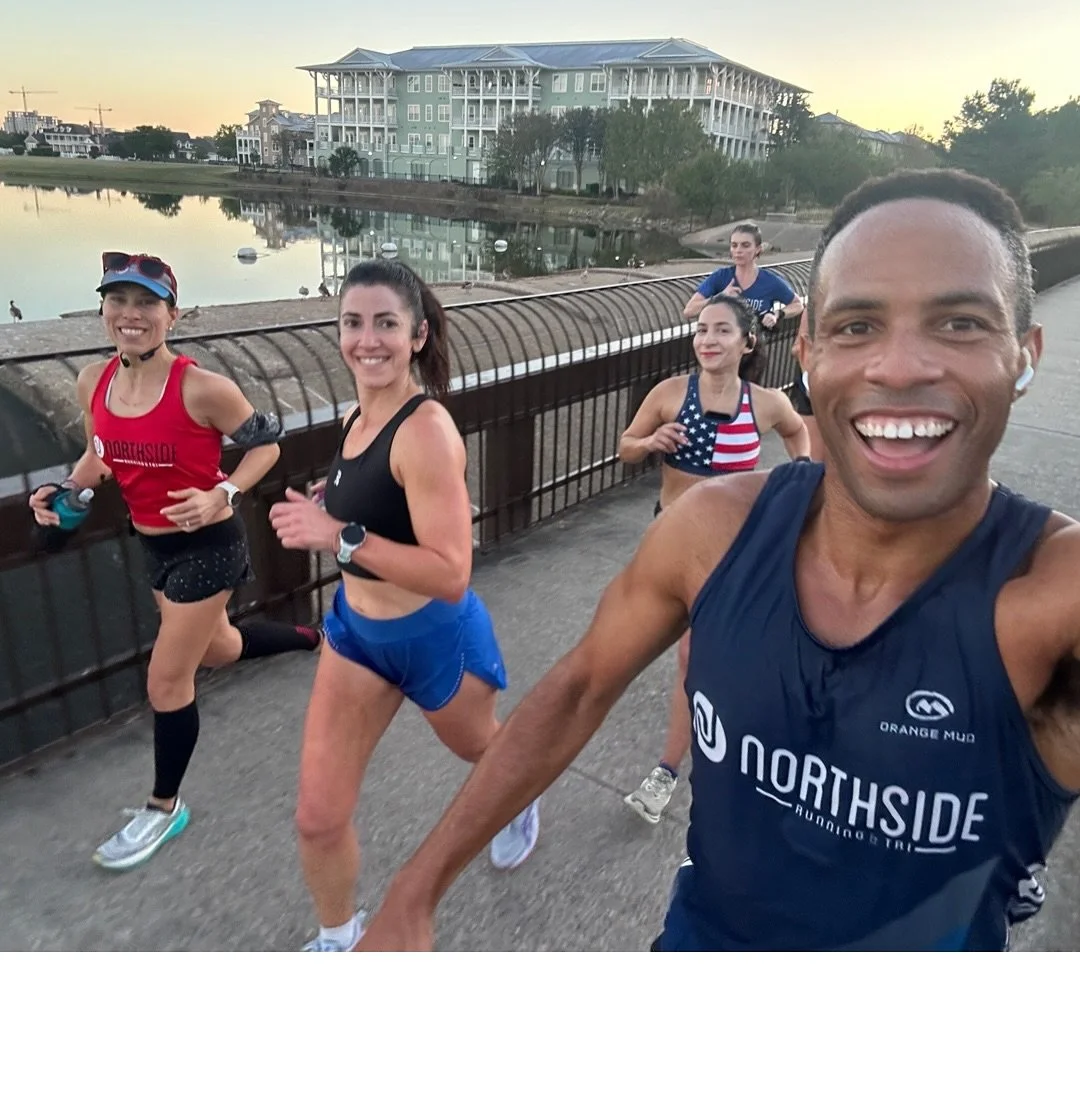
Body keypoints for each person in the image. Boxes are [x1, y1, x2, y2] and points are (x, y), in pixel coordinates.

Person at [354, 167, 1080, 953]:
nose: (900, 368)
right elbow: (577, 689)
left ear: (1024, 355)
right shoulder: (713, 530)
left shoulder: (1050, 596)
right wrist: (413, 895)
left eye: (961, 324)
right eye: (857, 326)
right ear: (809, 352)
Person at [268, 259, 540, 953]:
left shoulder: (426, 432)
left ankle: (521, 794)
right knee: (317, 817)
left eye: (386, 323)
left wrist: (337, 534)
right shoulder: (357, 417)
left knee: (486, 753)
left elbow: (451, 572)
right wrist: (332, 503)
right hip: (357, 637)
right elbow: (377, 502)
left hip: (433, 638)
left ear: (417, 335)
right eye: (353, 323)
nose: (368, 340)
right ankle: (341, 939)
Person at [28, 252, 321, 872]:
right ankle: (313, 636)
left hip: (209, 546)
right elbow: (100, 454)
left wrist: (224, 493)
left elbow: (267, 446)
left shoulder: (202, 388)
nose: (130, 315)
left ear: (172, 315)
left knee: (166, 680)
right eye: (118, 301)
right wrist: (66, 490)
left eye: (146, 304)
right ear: (103, 310)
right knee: (219, 649)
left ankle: (164, 808)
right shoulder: (94, 382)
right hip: (154, 545)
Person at [617, 294, 810, 823]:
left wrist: (803, 480)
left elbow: (797, 431)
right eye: (702, 329)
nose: (708, 339)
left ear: (747, 342)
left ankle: (666, 772)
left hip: (733, 550)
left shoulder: (765, 403)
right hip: (670, 539)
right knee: (640, 644)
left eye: (722, 330)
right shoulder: (670, 393)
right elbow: (626, 446)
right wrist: (651, 441)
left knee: (690, 655)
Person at [683, 223, 804, 327]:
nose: (738, 251)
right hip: (723, 344)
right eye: (734, 245)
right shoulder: (720, 277)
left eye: (745, 245)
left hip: (754, 344)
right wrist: (720, 297)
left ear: (758, 249)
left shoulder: (770, 281)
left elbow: (797, 304)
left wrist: (777, 314)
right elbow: (689, 311)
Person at [788, 309, 824, 462]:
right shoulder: (816, 304)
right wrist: (809, 380)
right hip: (813, 382)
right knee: (812, 460)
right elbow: (797, 348)